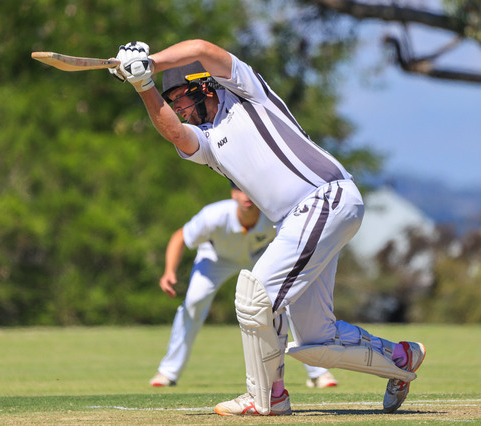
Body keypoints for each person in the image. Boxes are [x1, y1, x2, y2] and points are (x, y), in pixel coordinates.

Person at [109, 39, 425, 416]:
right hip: (301, 219)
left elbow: (202, 49)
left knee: (255, 296)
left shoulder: (246, 93)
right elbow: (176, 133)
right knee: (316, 341)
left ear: (202, 86)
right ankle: (400, 357)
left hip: (324, 198)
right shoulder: (207, 141)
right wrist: (143, 85)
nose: (176, 109)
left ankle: (267, 396)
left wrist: (152, 62)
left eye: (178, 99)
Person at [149, 182, 338, 389]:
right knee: (194, 302)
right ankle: (168, 372)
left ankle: (318, 372)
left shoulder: (274, 216)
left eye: (250, 189)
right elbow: (179, 237)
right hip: (215, 259)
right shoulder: (213, 215)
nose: (246, 195)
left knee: (289, 299)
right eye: (240, 189)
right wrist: (169, 271)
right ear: (233, 194)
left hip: (259, 259)